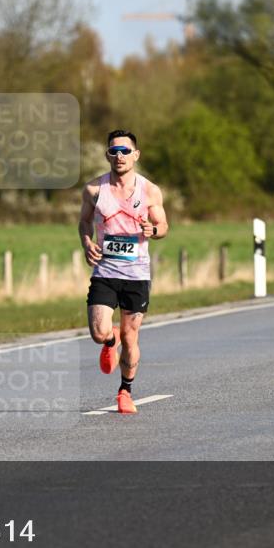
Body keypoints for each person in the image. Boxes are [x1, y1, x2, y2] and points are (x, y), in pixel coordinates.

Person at [78, 130, 168, 414]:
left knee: (131, 337)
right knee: (98, 332)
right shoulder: (94, 190)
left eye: (125, 151)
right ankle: (108, 340)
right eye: (114, 151)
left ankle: (125, 392)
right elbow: (83, 222)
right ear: (107, 155)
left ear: (136, 155)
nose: (119, 156)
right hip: (105, 270)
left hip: (137, 275)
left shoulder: (150, 190)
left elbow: (163, 227)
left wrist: (152, 230)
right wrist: (86, 241)